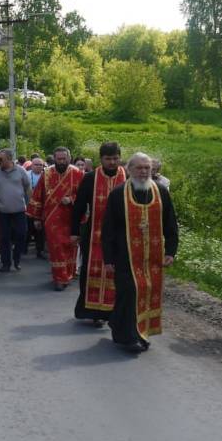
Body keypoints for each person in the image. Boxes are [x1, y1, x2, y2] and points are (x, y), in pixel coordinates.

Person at [102, 152, 178, 353]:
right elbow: (108, 228)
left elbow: (170, 223)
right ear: (129, 170)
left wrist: (171, 250)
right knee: (129, 293)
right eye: (139, 168)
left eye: (147, 168)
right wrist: (108, 257)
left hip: (152, 257)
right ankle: (130, 337)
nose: (144, 172)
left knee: (146, 292)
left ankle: (139, 333)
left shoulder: (161, 191)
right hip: (125, 256)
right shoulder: (118, 194)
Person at [70, 142, 126, 325]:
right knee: (90, 271)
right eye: (108, 159)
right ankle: (93, 311)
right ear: (100, 159)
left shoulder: (127, 177)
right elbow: (78, 207)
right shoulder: (90, 178)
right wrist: (74, 231)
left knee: (117, 273)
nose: (112, 162)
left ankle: (113, 311)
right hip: (95, 232)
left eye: (115, 158)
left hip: (120, 236)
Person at [27, 147, 83, 290]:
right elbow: (38, 196)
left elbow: (84, 197)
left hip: (71, 218)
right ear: (55, 159)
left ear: (69, 158)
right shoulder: (46, 174)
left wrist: (71, 199)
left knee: (70, 247)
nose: (62, 161)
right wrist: (37, 218)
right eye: (59, 159)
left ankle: (68, 275)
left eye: (64, 159)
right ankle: (59, 279)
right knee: (56, 248)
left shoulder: (78, 174)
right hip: (52, 219)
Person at [0, 150, 31, 273]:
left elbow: (28, 187)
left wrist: (31, 205)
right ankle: (6, 263)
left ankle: (17, 258)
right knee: (4, 237)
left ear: (9, 159)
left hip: (19, 209)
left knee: (21, 234)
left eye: (1, 160)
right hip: (2, 210)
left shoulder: (21, 171)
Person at [26, 157, 46, 258]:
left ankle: (40, 250)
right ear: (31, 165)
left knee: (40, 229)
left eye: (40, 165)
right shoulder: (26, 175)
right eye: (36, 165)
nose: (38, 167)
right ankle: (23, 247)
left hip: (41, 206)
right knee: (27, 228)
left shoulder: (46, 175)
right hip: (28, 205)